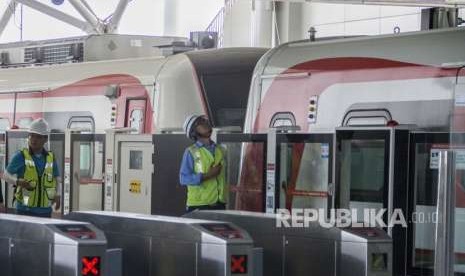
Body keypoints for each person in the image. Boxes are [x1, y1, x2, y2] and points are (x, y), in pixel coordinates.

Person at [3, 118, 61, 218]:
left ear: (45, 139)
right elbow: (6, 175)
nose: (34, 139)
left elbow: (57, 179)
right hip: (24, 210)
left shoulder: (50, 158)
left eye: (38, 137)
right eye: (31, 136)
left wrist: (58, 195)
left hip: (45, 211)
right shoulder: (20, 156)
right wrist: (17, 181)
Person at [179, 115, 226, 212]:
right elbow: (183, 178)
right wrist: (207, 175)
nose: (205, 123)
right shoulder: (190, 152)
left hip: (219, 204)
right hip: (199, 206)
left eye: (204, 120)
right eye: (200, 123)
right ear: (194, 132)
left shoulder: (220, 150)